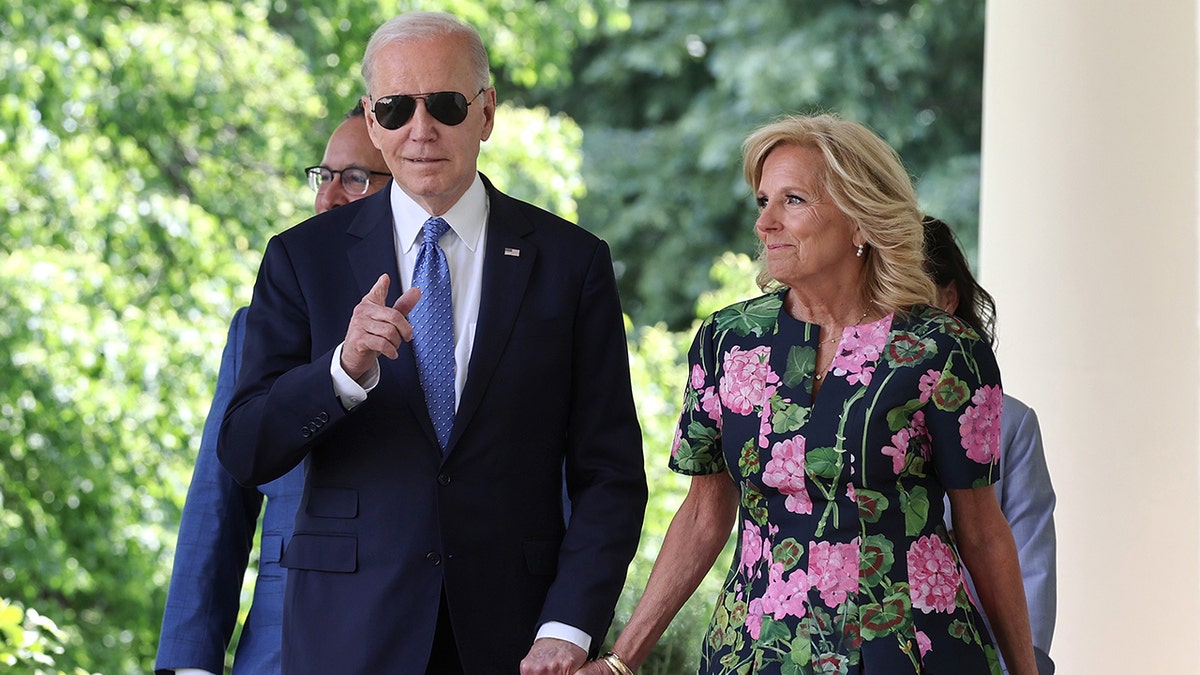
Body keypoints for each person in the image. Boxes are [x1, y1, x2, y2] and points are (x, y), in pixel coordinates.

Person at [216, 11, 647, 674]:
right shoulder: (303, 258)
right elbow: (245, 447)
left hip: (519, 640)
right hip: (346, 636)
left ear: (486, 113)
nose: (421, 130)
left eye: (445, 105)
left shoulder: (571, 261)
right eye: (395, 109)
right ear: (371, 118)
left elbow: (610, 475)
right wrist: (342, 369)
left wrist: (569, 625)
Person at [577, 113, 1036, 675]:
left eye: (792, 200)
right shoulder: (727, 342)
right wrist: (621, 661)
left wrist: (1025, 670)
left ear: (860, 220)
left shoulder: (944, 351)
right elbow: (703, 516)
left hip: (908, 652)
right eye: (762, 201)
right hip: (754, 653)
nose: (764, 223)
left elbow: (983, 530)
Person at [154, 102, 392, 675]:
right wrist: (192, 664)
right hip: (277, 648)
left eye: (355, 178)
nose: (329, 196)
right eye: (324, 176)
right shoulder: (259, 325)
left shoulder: (456, 319)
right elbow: (219, 503)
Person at [924, 217, 1057, 674]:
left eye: (912, 297)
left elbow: (1030, 558)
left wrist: (1024, 664)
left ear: (948, 298)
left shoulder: (1011, 423)